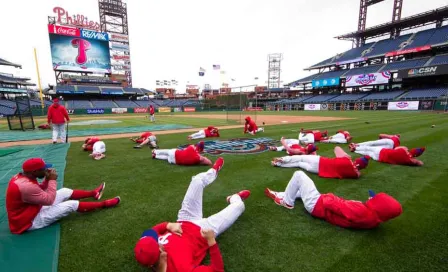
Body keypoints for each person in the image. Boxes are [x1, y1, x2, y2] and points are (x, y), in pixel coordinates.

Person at [134, 158, 251, 270]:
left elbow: (150, 232)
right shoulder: (181, 268)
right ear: (160, 252)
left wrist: (168, 225)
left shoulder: (145, 251)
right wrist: (211, 241)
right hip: (203, 231)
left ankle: (213, 171)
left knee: (196, 180)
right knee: (239, 206)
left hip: (184, 219)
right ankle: (234, 198)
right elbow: (217, 270)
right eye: (156, 243)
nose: (156, 240)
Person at [5, 158, 120, 234]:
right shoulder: (26, 186)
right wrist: (52, 180)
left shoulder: (23, 177)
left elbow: (38, 190)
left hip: (31, 209)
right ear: (34, 172)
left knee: (64, 191)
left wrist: (46, 179)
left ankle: (93, 193)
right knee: (71, 204)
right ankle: (104, 204)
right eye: (43, 169)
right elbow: (49, 200)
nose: (46, 170)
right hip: (27, 222)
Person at [264, 171, 402, 229]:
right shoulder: (374, 219)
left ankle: (286, 202)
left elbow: (330, 203)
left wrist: (330, 196)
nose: (370, 198)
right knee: (301, 191)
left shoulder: (361, 210)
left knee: (299, 175)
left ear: (379, 207)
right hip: (320, 207)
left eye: (374, 199)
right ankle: (283, 194)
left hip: (317, 206)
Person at [271, 146, 370, 179]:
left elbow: (336, 148)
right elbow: (358, 172)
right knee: (298, 164)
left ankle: (282, 159)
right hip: (316, 171)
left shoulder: (347, 159)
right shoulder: (355, 174)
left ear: (357, 160)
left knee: (298, 158)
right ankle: (278, 164)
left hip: (319, 161)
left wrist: (346, 155)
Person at [351, 144, 425, 166]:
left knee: (369, 148)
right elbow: (420, 163)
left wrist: (407, 150)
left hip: (382, 151)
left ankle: (356, 148)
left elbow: (397, 148)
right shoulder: (409, 160)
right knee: (368, 153)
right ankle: (355, 150)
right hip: (380, 159)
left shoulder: (403, 149)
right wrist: (415, 159)